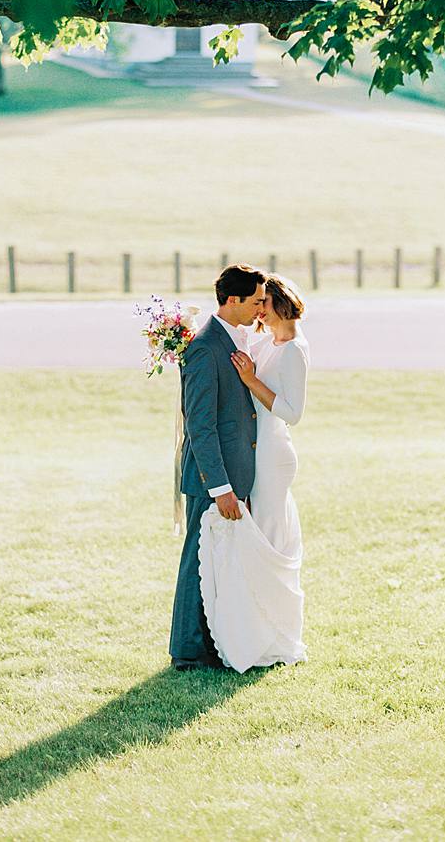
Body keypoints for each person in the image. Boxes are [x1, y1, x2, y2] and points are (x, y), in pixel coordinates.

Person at [198, 274, 310, 673]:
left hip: (274, 455)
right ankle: (254, 626)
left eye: (263, 303)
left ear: (279, 304)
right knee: (256, 536)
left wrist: (251, 381)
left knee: (271, 536)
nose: (257, 309)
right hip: (253, 450)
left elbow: (293, 413)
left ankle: (276, 634)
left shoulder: (294, 350)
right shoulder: (266, 340)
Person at [169, 264, 266, 671]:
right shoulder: (205, 348)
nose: (262, 307)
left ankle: (212, 643)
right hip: (212, 477)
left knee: (218, 563)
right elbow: (201, 425)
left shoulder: (232, 340)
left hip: (232, 473)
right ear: (233, 300)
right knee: (197, 559)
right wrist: (220, 487)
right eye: (257, 300)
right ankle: (187, 652)